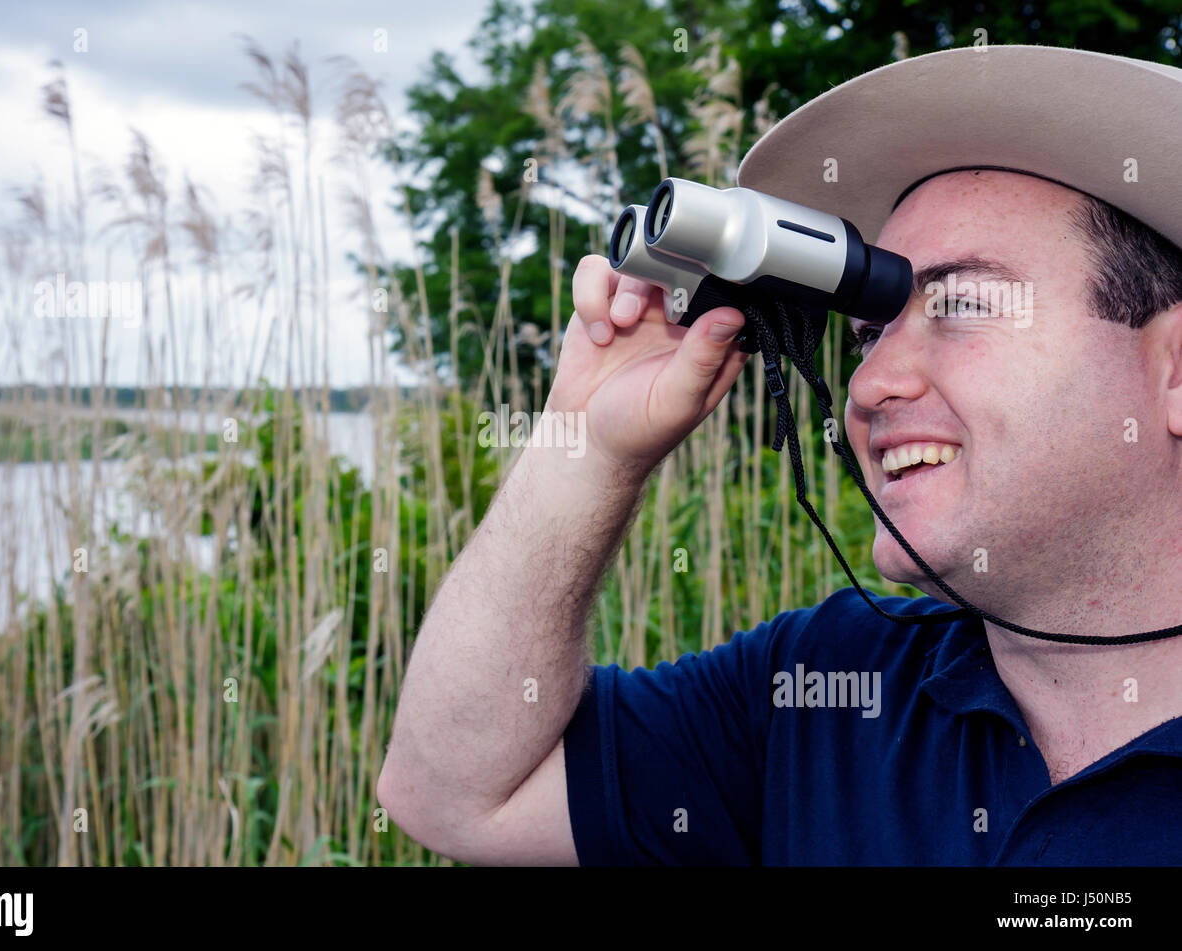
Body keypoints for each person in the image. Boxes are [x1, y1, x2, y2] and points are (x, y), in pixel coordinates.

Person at [375, 44, 1182, 864]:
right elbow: (455, 796)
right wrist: (587, 443)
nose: (870, 385)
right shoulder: (827, 691)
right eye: (870, 333)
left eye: (962, 304)